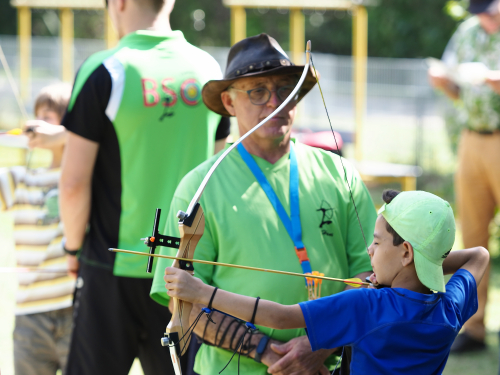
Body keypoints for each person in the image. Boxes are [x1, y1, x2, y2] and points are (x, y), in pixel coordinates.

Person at [150, 33, 377, 375]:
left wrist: (320, 344)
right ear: (229, 103)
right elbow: (184, 303)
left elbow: (373, 277)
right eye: (257, 91)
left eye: (286, 89)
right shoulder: (199, 187)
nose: (276, 102)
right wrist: (272, 355)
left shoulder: (339, 172)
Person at [58, 0, 229, 374]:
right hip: (185, 274)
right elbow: (219, 177)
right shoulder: (208, 70)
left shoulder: (105, 68)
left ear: (117, 3)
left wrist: (72, 248)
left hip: (111, 267)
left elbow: (72, 184)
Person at [164, 190, 489, 375]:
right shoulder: (451, 307)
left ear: (404, 252)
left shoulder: (370, 304)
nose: (369, 250)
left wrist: (201, 292)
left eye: (376, 243)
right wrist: (423, 264)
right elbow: (480, 256)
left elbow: (280, 317)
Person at [428, 0, 500, 353]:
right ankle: (474, 328)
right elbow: (458, 89)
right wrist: (443, 82)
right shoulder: (468, 32)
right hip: (473, 139)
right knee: (472, 235)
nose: (485, 17)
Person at [0, 83, 73, 375]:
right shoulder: (19, 178)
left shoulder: (88, 178)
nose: (38, 123)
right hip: (30, 313)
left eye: (50, 116)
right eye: (38, 115)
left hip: (75, 308)